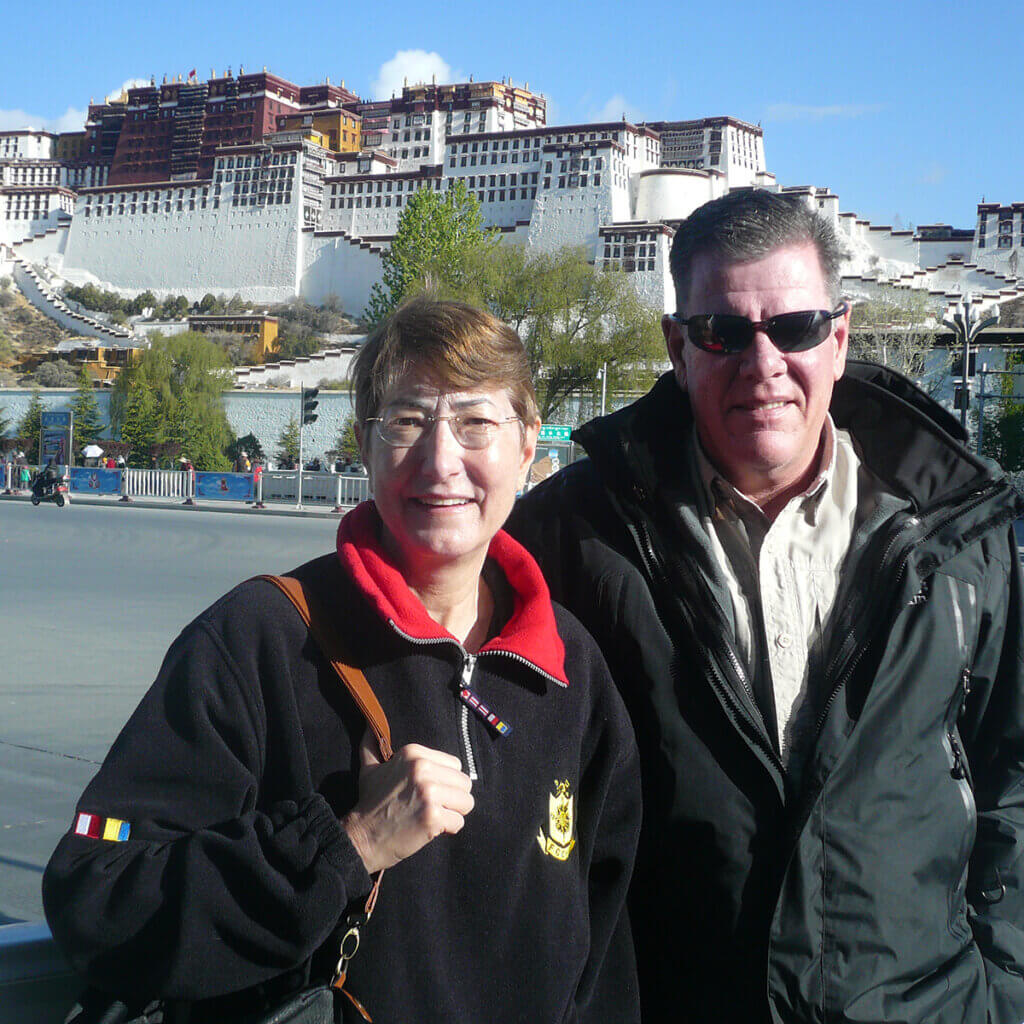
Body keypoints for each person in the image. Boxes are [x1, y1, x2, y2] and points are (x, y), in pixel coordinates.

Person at [43, 296, 641, 1024]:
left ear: (526, 451)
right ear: (365, 444)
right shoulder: (257, 640)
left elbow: (604, 953)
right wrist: (343, 845)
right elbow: (96, 895)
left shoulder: (570, 669)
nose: (441, 460)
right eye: (408, 421)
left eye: (477, 423)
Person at [508, 189, 1024, 1023]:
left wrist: (1005, 986)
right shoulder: (573, 533)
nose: (763, 364)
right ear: (677, 347)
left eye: (794, 328)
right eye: (722, 333)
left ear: (840, 338)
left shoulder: (960, 532)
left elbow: (1012, 772)